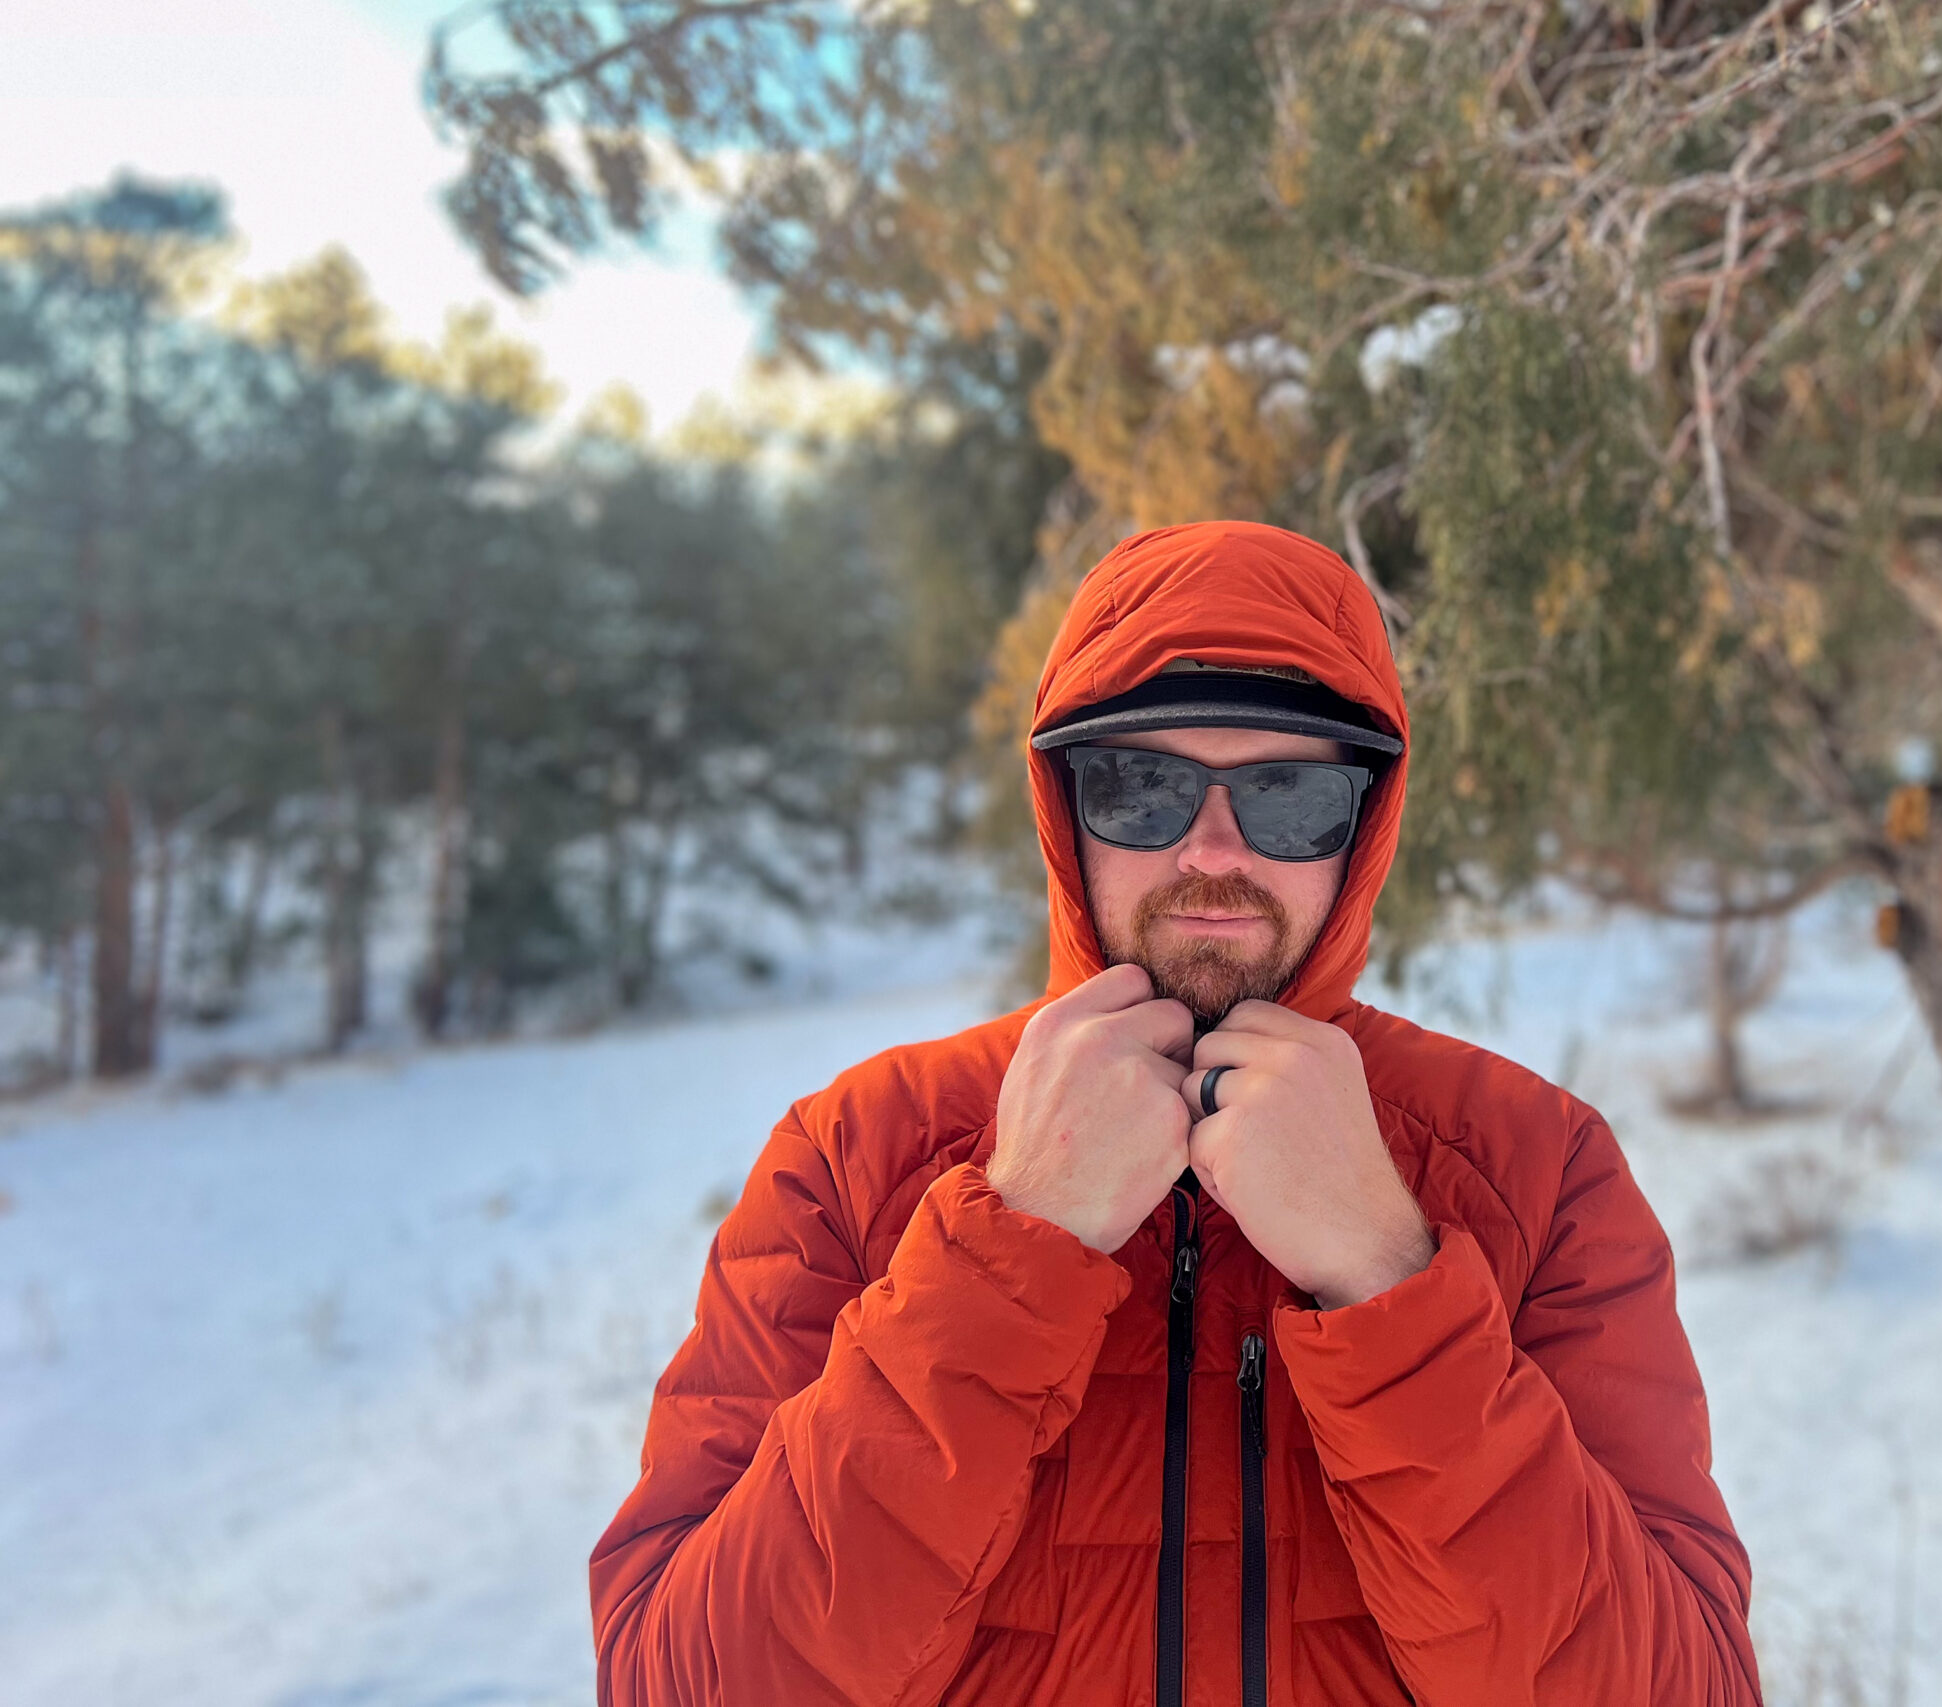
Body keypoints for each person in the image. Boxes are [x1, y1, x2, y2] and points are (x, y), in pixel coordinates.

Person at [590, 520, 1761, 1706]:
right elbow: (676, 1683)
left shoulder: (1535, 1165)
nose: (1212, 849)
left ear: (1363, 827)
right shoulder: (855, 1155)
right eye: (1142, 786)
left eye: (1289, 793)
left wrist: (1388, 1277)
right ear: (1065, 808)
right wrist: (1007, 1250)